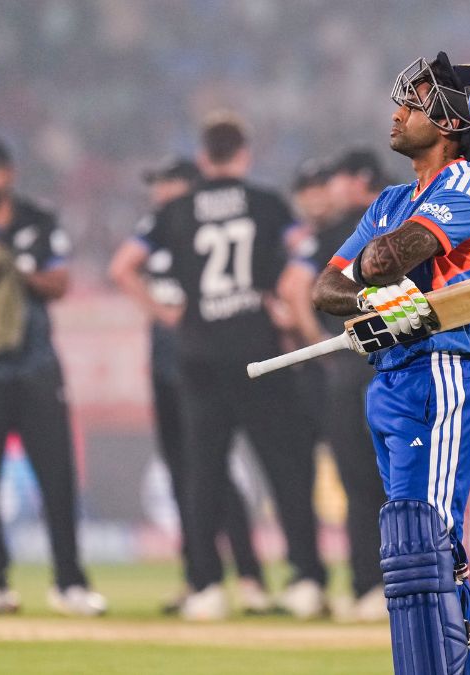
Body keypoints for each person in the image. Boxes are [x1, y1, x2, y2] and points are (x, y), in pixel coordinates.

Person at [311, 51, 470, 675]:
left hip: (443, 370)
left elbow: (387, 259)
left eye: (416, 103)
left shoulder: (467, 186)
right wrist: (378, 296)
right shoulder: (395, 197)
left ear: (455, 120)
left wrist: (377, 280)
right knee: (405, 545)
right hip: (392, 378)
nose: (398, 113)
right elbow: (326, 290)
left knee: (427, 541)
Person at [116, 112, 327, 621]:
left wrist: (164, 313)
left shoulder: (177, 210)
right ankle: (306, 580)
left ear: (203, 158)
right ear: (244, 156)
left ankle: (207, 586)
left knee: (202, 473)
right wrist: (284, 296)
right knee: (285, 467)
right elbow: (309, 250)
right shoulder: (266, 203)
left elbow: (122, 265)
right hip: (258, 348)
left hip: (198, 354)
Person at [0, 133, 105, 617]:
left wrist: (16, 272)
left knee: (57, 479)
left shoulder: (38, 221)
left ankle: (68, 582)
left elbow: (59, 283)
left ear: (9, 172)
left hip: (35, 368)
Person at [108, 155, 270, 616]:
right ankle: (198, 574)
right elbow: (125, 271)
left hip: (203, 366)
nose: (157, 191)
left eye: (164, 182)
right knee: (185, 478)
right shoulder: (158, 228)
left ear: (187, 186)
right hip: (167, 366)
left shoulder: (193, 230)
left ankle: (249, 575)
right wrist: (161, 314)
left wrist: (170, 316)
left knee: (214, 474)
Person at [279, 149, 393, 623]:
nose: (333, 190)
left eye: (341, 179)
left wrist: (323, 343)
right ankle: (413, 582)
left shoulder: (345, 229)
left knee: (360, 483)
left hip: (355, 369)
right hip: (405, 363)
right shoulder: (412, 218)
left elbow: (292, 286)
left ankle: (369, 586)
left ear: (359, 181)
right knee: (403, 483)